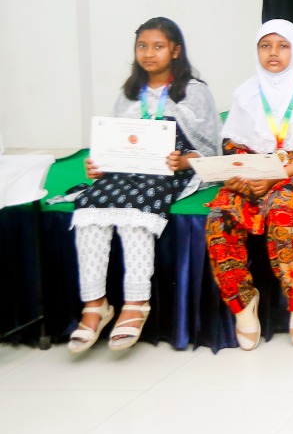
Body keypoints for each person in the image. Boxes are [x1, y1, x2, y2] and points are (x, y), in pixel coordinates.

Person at [68, 18, 221, 354]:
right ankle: (95, 304)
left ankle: (136, 303)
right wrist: (99, 165)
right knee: (91, 204)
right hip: (126, 171)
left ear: (175, 51)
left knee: (137, 206)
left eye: (158, 46)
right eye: (142, 46)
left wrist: (185, 161)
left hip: (170, 172)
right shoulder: (128, 94)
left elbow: (210, 149)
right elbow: (112, 144)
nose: (149, 53)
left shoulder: (195, 91)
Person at [205, 20, 293, 350]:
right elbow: (233, 144)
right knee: (220, 216)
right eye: (266, 46)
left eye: (283, 46)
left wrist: (278, 174)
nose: (274, 53)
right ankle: (243, 302)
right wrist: (246, 173)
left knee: (281, 214)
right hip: (254, 172)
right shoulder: (246, 92)